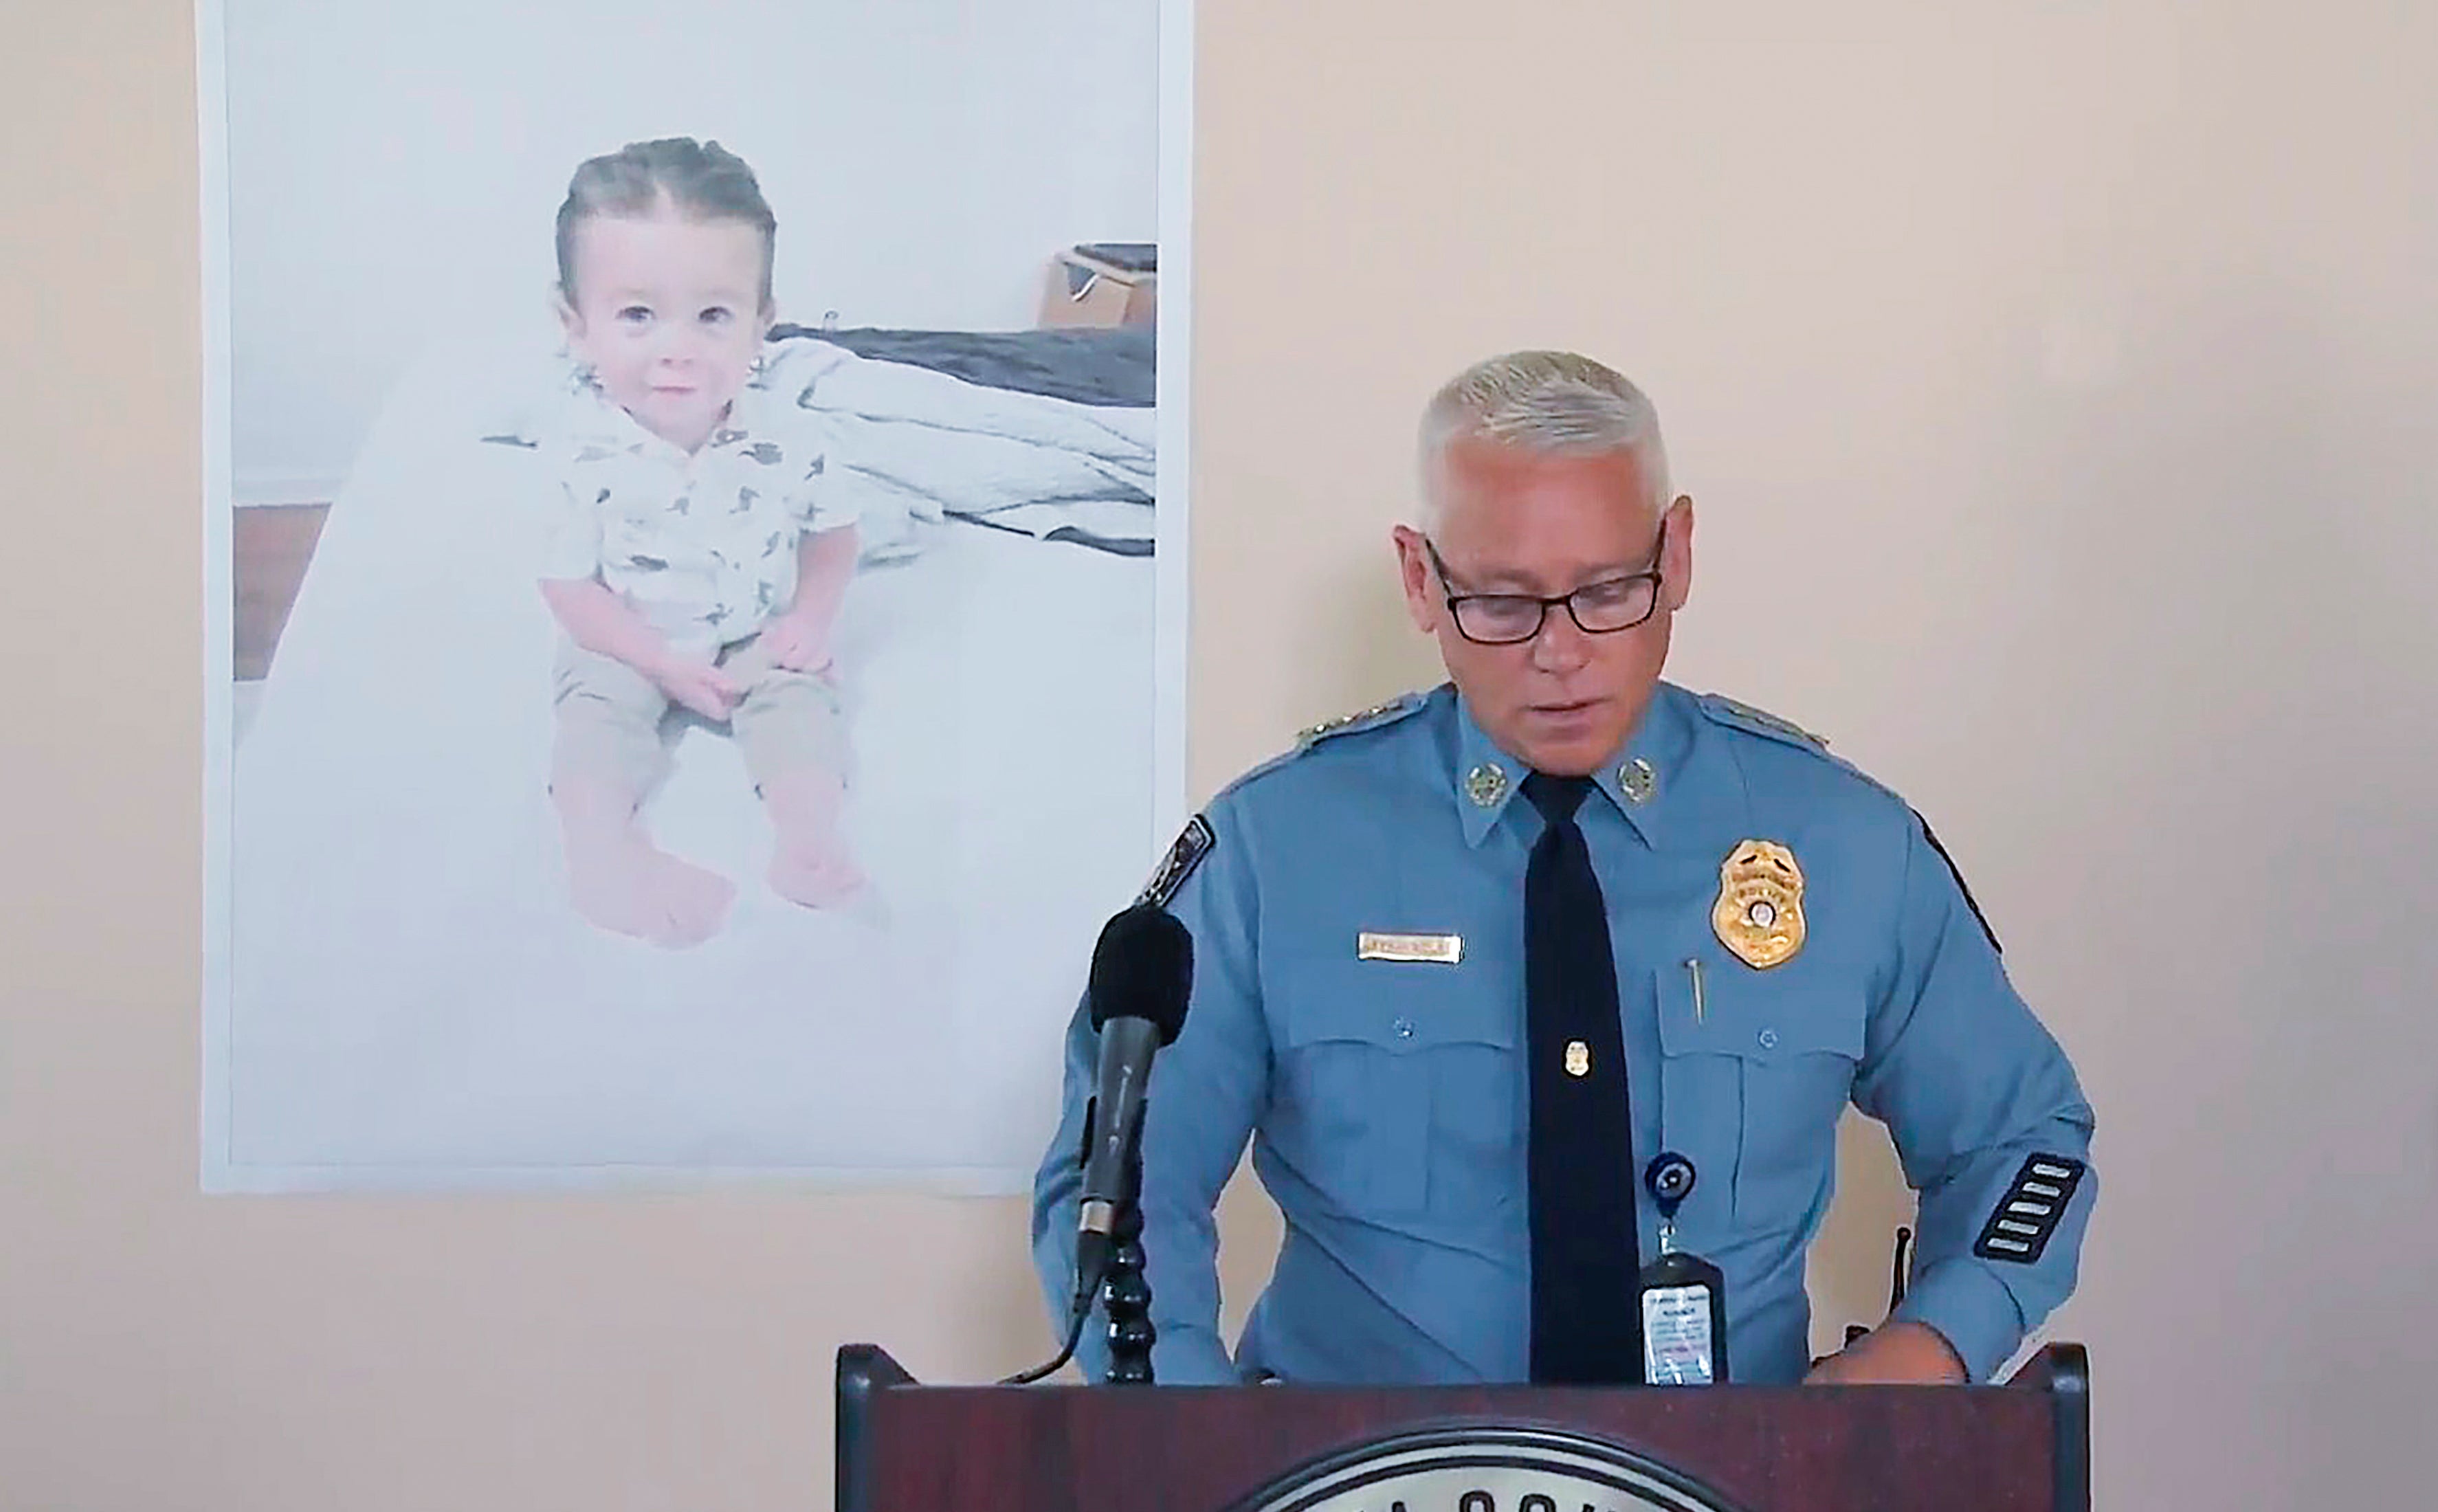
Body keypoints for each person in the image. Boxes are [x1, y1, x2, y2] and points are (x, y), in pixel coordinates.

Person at [1029, 349, 2097, 1388]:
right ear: (1418, 577)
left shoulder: (1839, 843)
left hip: (1722, 1481)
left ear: (1675, 554)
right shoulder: (1277, 849)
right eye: (1500, 603)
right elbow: (1116, 1181)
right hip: (1358, 1483)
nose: (1560, 652)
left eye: (1606, 591)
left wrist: (1921, 1358)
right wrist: (1201, 1453)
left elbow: (2024, 1142)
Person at [534, 137, 867, 948]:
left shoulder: (791, 438)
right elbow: (571, 590)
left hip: (749, 626)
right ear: (577, 328)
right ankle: (600, 850)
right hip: (628, 628)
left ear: (762, 325)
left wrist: (808, 623)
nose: (677, 346)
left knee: (800, 699)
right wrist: (656, 661)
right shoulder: (578, 451)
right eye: (638, 315)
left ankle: (807, 838)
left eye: (713, 315)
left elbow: (834, 535)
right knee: (594, 713)